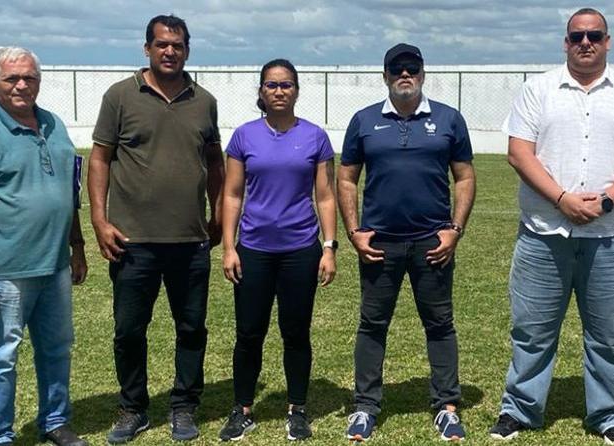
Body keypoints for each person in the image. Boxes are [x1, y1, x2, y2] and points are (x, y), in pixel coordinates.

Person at [490, 8, 614, 445]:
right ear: (565, 42)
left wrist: (605, 201)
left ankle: (609, 415)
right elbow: (519, 153)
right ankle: (520, 409)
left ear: (608, 41)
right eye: (576, 36)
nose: (585, 43)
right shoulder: (538, 89)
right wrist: (562, 199)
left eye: (594, 35)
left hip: (612, 235)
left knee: (610, 335)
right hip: (544, 233)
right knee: (531, 331)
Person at [88, 14, 224, 443]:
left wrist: (218, 214)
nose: (170, 51)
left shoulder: (204, 100)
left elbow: (215, 162)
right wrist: (98, 218)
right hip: (133, 241)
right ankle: (133, 408)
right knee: (129, 331)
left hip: (190, 241)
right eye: (162, 44)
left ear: (188, 49)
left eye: (178, 45)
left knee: (191, 328)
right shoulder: (120, 96)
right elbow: (99, 159)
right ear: (147, 48)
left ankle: (184, 405)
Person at [338, 43, 476, 442]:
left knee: (439, 323)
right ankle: (365, 406)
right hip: (379, 244)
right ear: (385, 75)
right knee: (372, 324)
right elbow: (346, 177)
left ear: (422, 73)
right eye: (396, 68)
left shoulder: (448, 119)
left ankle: (446, 406)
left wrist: (455, 229)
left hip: (433, 243)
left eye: (411, 68)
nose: (404, 74)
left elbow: (464, 177)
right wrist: (354, 231)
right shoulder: (363, 120)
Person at [0, 46, 89, 446]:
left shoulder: (54, 125)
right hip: (7, 270)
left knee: (57, 349)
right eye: (12, 78)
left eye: (29, 77)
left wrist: (76, 246)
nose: (22, 85)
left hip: (55, 266)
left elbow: (68, 190)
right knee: (2, 357)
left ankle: (56, 421)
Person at [216, 59, 338, 442]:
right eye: (272, 85)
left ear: (297, 90)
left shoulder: (315, 137)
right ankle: (243, 408)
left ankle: (297, 408)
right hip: (253, 250)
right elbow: (232, 195)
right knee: (249, 333)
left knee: (296, 333)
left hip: (301, 249)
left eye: (286, 85)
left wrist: (329, 247)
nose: (279, 91)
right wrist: (228, 247)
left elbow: (326, 196)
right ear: (261, 92)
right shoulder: (244, 136)